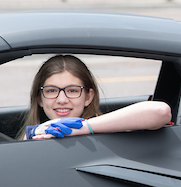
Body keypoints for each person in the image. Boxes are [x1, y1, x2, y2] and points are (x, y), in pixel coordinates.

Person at [23, 54, 171, 139]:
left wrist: (85, 127)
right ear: (39, 98)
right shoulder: (34, 134)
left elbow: (160, 112)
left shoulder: (107, 130)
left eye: (73, 91)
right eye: (51, 91)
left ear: (88, 97)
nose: (62, 99)